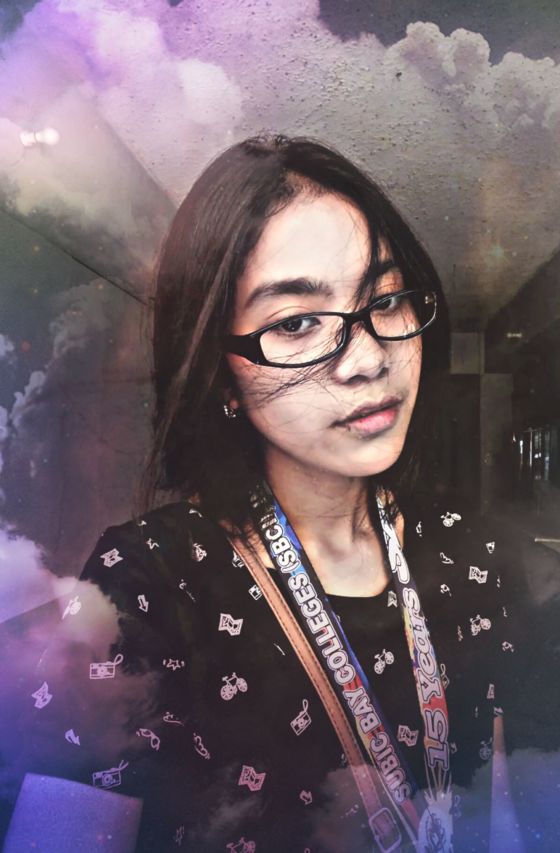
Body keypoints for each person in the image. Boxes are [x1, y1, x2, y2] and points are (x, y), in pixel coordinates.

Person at [9, 136, 518, 852]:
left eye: (386, 299)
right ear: (221, 373)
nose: (369, 358)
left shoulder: (471, 551)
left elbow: (500, 806)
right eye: (296, 322)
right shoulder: (149, 581)